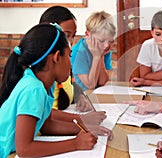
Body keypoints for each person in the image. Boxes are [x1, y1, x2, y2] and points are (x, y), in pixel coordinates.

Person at [0, 24, 112, 158]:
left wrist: (85, 127)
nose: (71, 64)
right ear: (57, 57)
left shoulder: (45, 85)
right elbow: (24, 149)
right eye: (69, 56)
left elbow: (47, 126)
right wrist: (75, 144)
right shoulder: (33, 89)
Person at [39, 6, 107, 126]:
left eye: (73, 36)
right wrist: (81, 120)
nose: (70, 41)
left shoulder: (63, 60)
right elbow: (43, 113)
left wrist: (79, 96)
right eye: (66, 35)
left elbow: (70, 84)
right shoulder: (39, 70)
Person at [130, 10, 162, 87]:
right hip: (150, 88)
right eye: (158, 34)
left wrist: (146, 81)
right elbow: (144, 76)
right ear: (152, 33)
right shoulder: (147, 45)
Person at [71, 11, 115, 91]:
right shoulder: (79, 52)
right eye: (101, 41)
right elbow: (90, 85)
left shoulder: (103, 48)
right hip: (79, 96)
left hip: (94, 93)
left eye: (110, 41)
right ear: (87, 35)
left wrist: (101, 56)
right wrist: (96, 57)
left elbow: (102, 82)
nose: (106, 45)